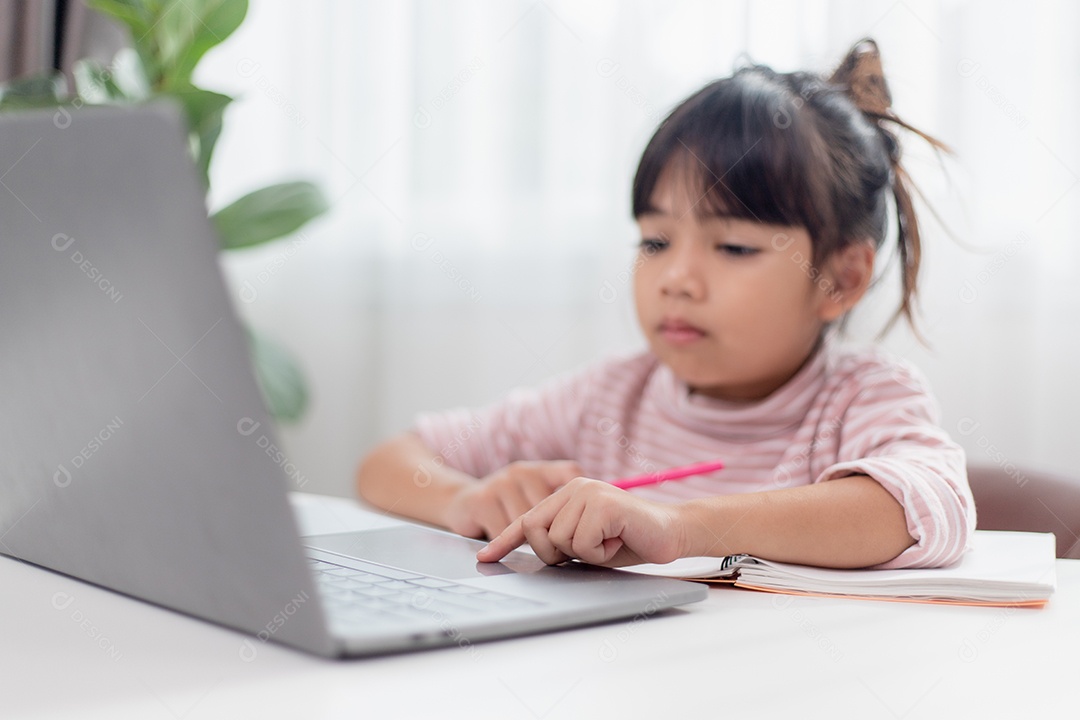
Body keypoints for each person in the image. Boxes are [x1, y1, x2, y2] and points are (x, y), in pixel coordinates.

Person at [357, 38, 975, 571]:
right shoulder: (609, 399)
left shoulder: (859, 398)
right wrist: (465, 500)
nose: (676, 278)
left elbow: (928, 506)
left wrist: (677, 528)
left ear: (839, 279)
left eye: (732, 246)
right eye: (655, 240)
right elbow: (389, 463)